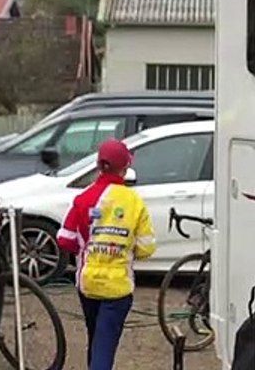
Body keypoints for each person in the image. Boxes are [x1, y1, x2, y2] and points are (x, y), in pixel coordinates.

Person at [56, 139, 155, 370]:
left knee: (96, 340)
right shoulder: (134, 202)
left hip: (88, 284)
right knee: (105, 346)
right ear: (125, 169)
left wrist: (87, 248)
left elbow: (65, 239)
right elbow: (146, 248)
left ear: (99, 166)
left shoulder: (83, 198)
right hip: (118, 288)